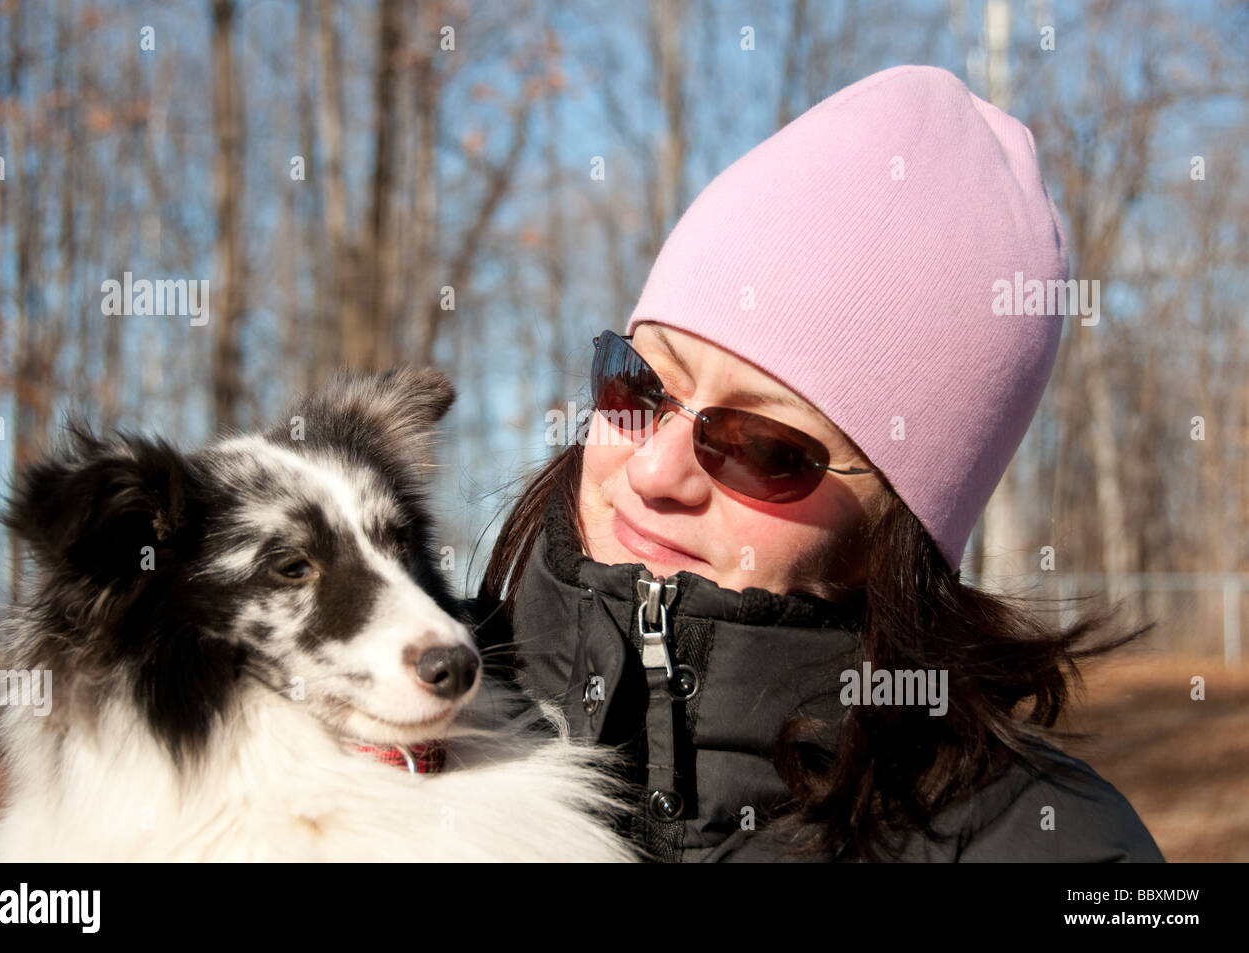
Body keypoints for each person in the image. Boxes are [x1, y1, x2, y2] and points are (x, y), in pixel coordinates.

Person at [461, 65, 1163, 862]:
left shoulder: (1055, 846)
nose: (656, 470)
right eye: (638, 385)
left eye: (762, 448)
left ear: (896, 526)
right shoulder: (379, 706)